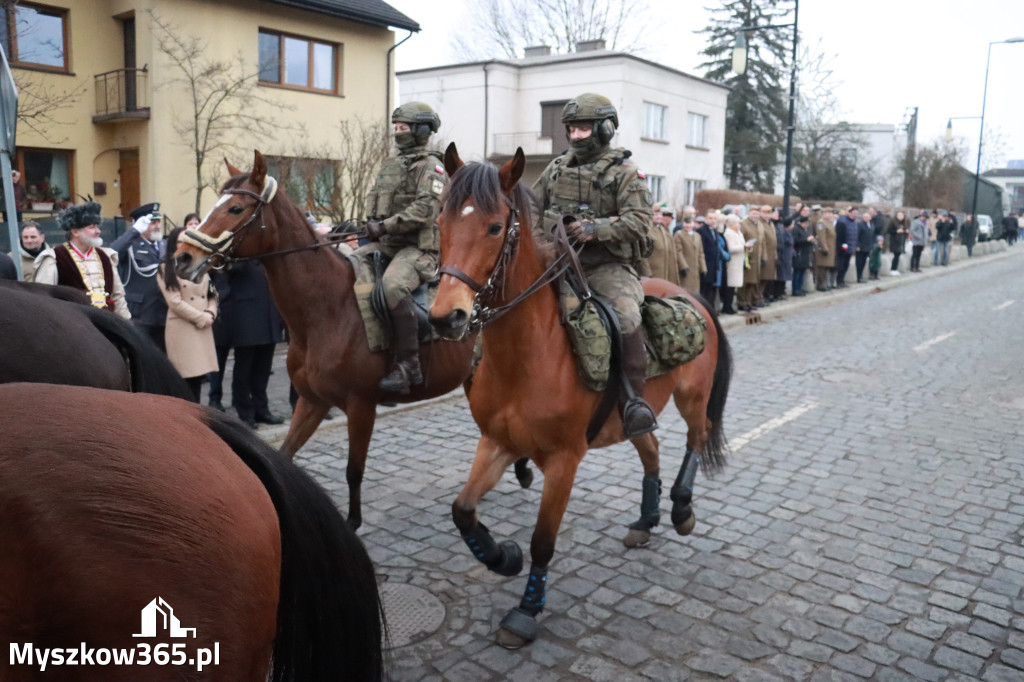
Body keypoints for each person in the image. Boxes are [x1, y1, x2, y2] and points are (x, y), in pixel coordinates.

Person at [530, 92, 657, 437]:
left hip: (606, 267)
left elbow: (639, 222)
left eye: (584, 129)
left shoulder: (626, 174)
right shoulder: (556, 169)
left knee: (626, 316)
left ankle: (633, 401)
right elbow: (531, 207)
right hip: (556, 262)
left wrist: (593, 229)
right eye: (572, 129)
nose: (575, 136)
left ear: (605, 129)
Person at [360, 101, 447, 395]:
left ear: (421, 130)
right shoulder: (390, 165)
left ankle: (409, 365)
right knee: (342, 265)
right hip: (383, 244)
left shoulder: (431, 167)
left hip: (417, 249)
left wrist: (385, 226)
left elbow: (425, 210)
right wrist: (368, 224)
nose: (398, 133)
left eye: (404, 128)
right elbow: (376, 202)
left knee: (393, 286)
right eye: (396, 127)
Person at [215, 259, 285, 428]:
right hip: (245, 321)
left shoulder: (266, 259)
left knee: (263, 370)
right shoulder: (237, 259)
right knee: (243, 371)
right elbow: (223, 278)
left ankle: (262, 409)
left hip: (268, 319)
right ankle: (245, 412)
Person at [33, 202, 130, 318]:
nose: (98, 231)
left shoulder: (106, 256)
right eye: (92, 227)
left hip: (106, 325)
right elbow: (44, 300)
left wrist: (127, 326)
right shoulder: (54, 258)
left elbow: (118, 296)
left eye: (97, 226)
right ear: (75, 232)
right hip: (73, 327)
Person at [155, 226, 219, 402]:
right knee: (185, 381)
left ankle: (197, 417)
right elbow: (174, 302)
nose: (184, 245)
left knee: (198, 380)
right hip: (183, 328)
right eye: (180, 242)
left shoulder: (200, 266)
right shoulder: (165, 268)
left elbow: (213, 294)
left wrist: (211, 313)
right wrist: (201, 318)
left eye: (188, 241)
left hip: (203, 327)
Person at [110, 202, 169, 351]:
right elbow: (112, 253)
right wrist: (133, 232)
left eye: (158, 222)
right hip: (140, 314)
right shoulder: (130, 245)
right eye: (151, 222)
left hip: (163, 312)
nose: (156, 226)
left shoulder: (165, 245)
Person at [640, 205, 684, 285]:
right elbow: (642, 255)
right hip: (653, 275)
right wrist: (647, 274)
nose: (659, 217)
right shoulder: (646, 231)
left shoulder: (663, 230)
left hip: (665, 275)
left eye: (660, 214)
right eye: (656, 214)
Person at [674, 213, 705, 293]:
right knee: (685, 291)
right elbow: (678, 251)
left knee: (695, 292)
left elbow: (700, 253)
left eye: (690, 223)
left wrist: (703, 267)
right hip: (685, 270)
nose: (687, 225)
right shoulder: (679, 235)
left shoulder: (697, 236)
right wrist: (683, 266)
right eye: (686, 223)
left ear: (693, 224)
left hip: (695, 270)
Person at [721, 214, 746, 314]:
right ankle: (727, 306)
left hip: (739, 261)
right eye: (737, 223)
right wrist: (744, 247)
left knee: (733, 286)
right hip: (732, 263)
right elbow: (731, 248)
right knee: (730, 286)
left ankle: (729, 305)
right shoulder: (729, 233)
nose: (738, 225)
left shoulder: (738, 232)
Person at [813, 208, 837, 291]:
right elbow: (821, 237)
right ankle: (820, 285)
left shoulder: (829, 223)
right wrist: (824, 248)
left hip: (831, 248)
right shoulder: (821, 223)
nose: (830, 215)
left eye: (831, 213)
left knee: (826, 267)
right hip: (824, 249)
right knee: (822, 268)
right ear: (824, 213)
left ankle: (825, 284)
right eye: (828, 213)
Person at [834, 207, 858, 288]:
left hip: (851, 247)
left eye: (856, 213)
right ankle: (838, 281)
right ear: (849, 212)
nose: (854, 214)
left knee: (846, 265)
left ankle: (842, 280)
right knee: (841, 265)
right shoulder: (842, 221)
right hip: (842, 247)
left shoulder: (854, 222)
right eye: (853, 213)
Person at [790, 215, 814, 296]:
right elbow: (795, 241)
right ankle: (795, 289)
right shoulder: (796, 229)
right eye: (806, 223)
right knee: (797, 273)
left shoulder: (805, 230)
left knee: (802, 273)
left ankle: (800, 288)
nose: (807, 225)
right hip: (799, 254)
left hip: (805, 254)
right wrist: (806, 240)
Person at [886, 210, 909, 275]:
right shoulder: (893, 222)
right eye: (899, 215)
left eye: (902, 215)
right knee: (896, 255)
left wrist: (905, 231)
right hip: (894, 241)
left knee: (898, 255)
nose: (900, 217)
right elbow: (889, 230)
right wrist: (896, 231)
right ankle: (893, 269)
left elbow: (904, 230)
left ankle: (895, 269)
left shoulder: (904, 222)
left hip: (901, 241)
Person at [854, 210, 874, 282]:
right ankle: (858, 277)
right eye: (865, 217)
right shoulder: (860, 224)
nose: (866, 218)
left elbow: (872, 235)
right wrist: (857, 245)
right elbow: (857, 235)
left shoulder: (871, 224)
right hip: (860, 246)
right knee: (859, 262)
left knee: (864, 262)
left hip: (867, 246)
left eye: (867, 217)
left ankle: (861, 276)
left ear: (870, 218)